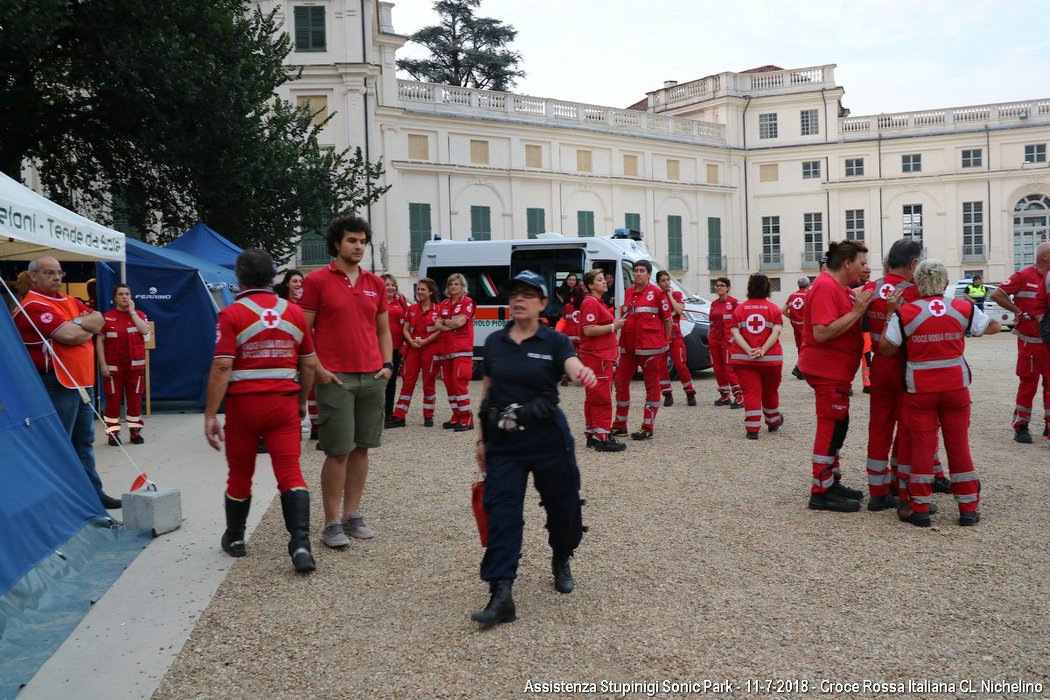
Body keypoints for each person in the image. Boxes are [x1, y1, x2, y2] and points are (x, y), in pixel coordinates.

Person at [471, 270, 596, 626]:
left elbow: (572, 365)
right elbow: (486, 394)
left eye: (528, 294)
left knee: (564, 506)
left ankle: (561, 555)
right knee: (502, 511)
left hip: (547, 438)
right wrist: (481, 439)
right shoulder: (495, 342)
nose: (519, 300)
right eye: (514, 294)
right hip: (505, 441)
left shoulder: (553, 341)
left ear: (543, 303)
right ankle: (501, 592)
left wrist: (581, 372)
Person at [204, 249, 318, 572]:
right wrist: (301, 401)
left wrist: (211, 414)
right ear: (273, 277)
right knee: (290, 472)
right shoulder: (293, 312)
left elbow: (222, 367)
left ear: (238, 277)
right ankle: (300, 545)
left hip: (244, 408)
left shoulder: (231, 314)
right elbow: (308, 364)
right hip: (283, 404)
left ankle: (236, 539)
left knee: (240, 473)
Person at [878, 259, 999, 527]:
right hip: (955, 387)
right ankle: (968, 508)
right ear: (945, 283)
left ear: (917, 284)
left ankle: (919, 507)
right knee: (959, 445)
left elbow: (886, 349)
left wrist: (890, 314)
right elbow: (994, 326)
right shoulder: (961, 307)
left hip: (919, 389)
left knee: (922, 445)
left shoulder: (906, 313)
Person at [299, 214, 394, 548]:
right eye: (352, 240)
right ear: (337, 243)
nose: (358, 247)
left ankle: (353, 514)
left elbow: (383, 329)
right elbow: (304, 330)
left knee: (362, 449)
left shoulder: (376, 284)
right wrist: (319, 369)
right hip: (335, 378)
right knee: (338, 451)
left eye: (362, 241)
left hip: (372, 376)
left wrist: (387, 365)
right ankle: (331, 522)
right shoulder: (316, 281)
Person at [13, 256, 121, 509]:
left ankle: (93, 495)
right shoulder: (33, 306)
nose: (57, 277)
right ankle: (58, 502)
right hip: (57, 384)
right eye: (49, 273)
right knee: (59, 445)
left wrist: (77, 324)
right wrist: (82, 326)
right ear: (34, 277)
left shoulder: (69, 300)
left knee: (83, 442)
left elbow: (99, 320)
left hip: (80, 381)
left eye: (59, 272)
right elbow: (71, 335)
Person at [800, 240, 873, 513]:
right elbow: (821, 332)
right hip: (826, 370)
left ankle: (831, 481)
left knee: (838, 426)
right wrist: (856, 312)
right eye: (862, 263)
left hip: (835, 371)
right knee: (830, 428)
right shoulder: (825, 287)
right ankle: (820, 491)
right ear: (847, 263)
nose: (866, 268)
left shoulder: (837, 287)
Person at [989, 242, 1050, 444]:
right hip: (1029, 342)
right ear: (1045, 256)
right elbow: (997, 294)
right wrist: (1018, 311)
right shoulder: (1023, 276)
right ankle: (1021, 426)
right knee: (1028, 383)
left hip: (1047, 341)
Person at [611, 260, 672, 441]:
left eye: (641, 271)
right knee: (621, 383)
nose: (637, 274)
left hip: (651, 350)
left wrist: (664, 343)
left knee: (652, 386)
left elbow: (668, 321)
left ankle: (648, 427)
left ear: (648, 274)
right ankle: (620, 425)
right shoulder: (629, 292)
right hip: (628, 348)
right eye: (635, 271)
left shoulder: (659, 294)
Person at [728, 274, 784, 439]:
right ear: (768, 288)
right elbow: (776, 332)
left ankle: (752, 429)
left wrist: (749, 350)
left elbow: (735, 332)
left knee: (751, 393)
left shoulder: (739, 309)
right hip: (771, 359)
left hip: (745, 360)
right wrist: (763, 350)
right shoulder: (774, 309)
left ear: (749, 287)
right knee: (770, 391)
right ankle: (773, 422)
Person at [578, 269, 627, 452]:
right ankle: (602, 437)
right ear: (591, 285)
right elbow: (589, 329)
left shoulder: (596, 302)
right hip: (598, 357)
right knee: (602, 397)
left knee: (593, 397)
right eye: (599, 280)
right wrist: (614, 325)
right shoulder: (590, 303)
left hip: (598, 356)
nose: (604, 281)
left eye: (604, 279)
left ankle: (592, 433)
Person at [97, 284, 151, 446]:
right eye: (121, 294)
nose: (124, 297)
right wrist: (102, 364)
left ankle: (135, 432)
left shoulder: (139, 315)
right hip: (113, 368)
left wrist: (133, 312)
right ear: (115, 298)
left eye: (127, 294)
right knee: (113, 400)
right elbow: (99, 341)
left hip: (135, 368)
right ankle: (112, 433)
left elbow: (145, 331)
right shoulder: (106, 317)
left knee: (134, 399)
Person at [390, 278, 441, 427]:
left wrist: (426, 341)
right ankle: (399, 416)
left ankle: (428, 416)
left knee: (429, 382)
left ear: (430, 291)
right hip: (413, 349)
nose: (419, 292)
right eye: (418, 289)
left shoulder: (437, 310)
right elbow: (405, 329)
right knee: (408, 382)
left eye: (422, 289)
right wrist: (411, 341)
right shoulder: (411, 309)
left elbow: (440, 330)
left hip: (429, 349)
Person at [434, 273, 476, 431]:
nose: (453, 287)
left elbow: (459, 322)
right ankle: (457, 415)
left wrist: (445, 322)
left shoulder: (468, 302)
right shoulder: (444, 303)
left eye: (456, 284)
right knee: (449, 385)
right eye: (451, 284)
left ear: (462, 286)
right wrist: (449, 324)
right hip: (445, 350)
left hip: (461, 350)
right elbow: (436, 324)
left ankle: (467, 418)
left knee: (459, 384)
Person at [656, 271, 697, 406]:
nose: (667, 282)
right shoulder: (656, 296)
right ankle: (667, 395)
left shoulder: (677, 294)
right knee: (662, 367)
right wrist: (669, 313)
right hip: (661, 337)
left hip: (675, 336)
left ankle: (690, 392)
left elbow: (679, 310)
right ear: (658, 283)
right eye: (663, 280)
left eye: (668, 279)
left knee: (680, 365)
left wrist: (669, 295)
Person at [708, 277, 743, 408]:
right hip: (714, 341)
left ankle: (739, 396)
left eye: (722, 285)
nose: (719, 287)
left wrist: (736, 339)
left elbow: (740, 323)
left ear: (728, 288)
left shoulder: (734, 303)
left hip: (728, 341)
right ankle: (725, 395)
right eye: (717, 285)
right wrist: (709, 339)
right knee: (717, 368)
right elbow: (711, 324)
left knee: (729, 369)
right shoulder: (713, 304)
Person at [381, 273, 409, 428]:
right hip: (379, 349)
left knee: (391, 383)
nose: (390, 287)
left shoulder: (401, 301)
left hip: (396, 348)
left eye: (392, 285)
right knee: (378, 383)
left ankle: (388, 414)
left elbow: (408, 320)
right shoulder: (376, 301)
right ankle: (375, 414)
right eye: (386, 284)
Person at [782, 276, 810, 380]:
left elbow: (783, 310)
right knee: (807, 347)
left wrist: (792, 318)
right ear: (808, 285)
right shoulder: (809, 295)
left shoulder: (792, 296)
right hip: (806, 326)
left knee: (800, 346)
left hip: (795, 325)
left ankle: (802, 371)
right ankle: (798, 368)